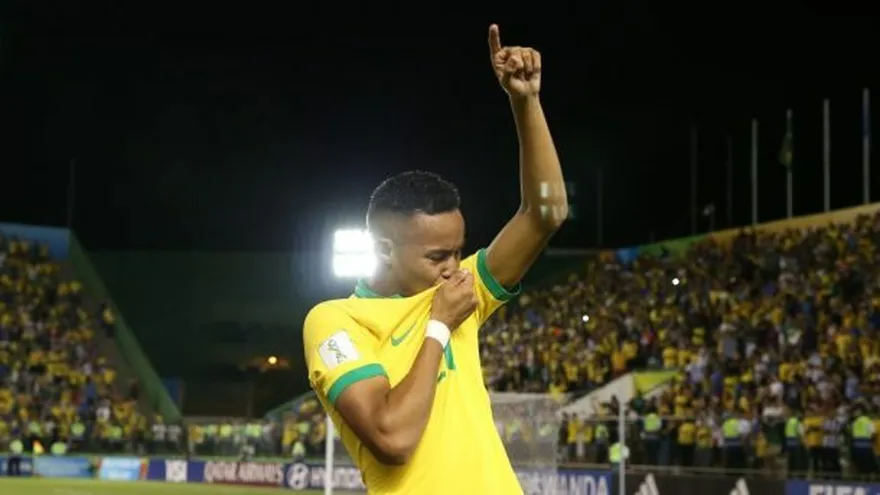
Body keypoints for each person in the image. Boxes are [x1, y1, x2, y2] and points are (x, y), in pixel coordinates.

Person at [302, 24, 567, 494]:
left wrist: (525, 102)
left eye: (458, 252)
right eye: (436, 255)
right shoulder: (336, 323)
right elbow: (393, 438)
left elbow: (545, 213)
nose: (453, 268)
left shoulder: (457, 290)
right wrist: (439, 327)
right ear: (383, 248)